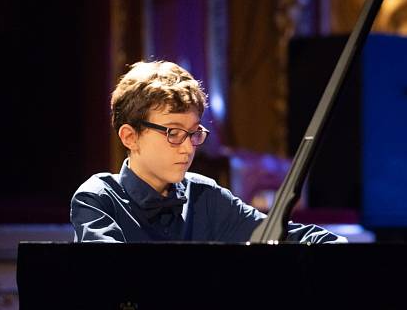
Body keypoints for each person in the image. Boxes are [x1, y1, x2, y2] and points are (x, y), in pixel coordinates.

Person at [70, 60, 345, 243]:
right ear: (130, 136)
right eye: (174, 133)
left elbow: (279, 234)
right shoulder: (97, 198)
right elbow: (110, 278)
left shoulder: (205, 197)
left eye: (194, 133)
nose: (189, 147)